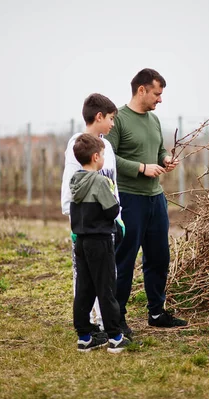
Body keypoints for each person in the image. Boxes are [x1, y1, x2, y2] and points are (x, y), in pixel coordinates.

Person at [106, 68, 188, 338]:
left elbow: (159, 149)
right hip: (129, 200)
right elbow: (108, 158)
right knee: (125, 260)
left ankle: (156, 313)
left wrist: (164, 159)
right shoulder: (118, 120)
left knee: (159, 257)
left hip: (156, 199)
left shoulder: (153, 120)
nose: (160, 99)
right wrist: (141, 167)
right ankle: (117, 318)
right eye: (157, 93)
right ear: (141, 90)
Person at [61, 93, 124, 334]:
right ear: (99, 116)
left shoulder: (105, 145)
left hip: (109, 221)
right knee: (86, 278)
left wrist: (119, 216)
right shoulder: (79, 144)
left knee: (108, 275)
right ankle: (90, 325)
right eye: (110, 118)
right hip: (88, 226)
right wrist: (73, 219)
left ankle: (104, 321)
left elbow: (112, 184)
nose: (112, 124)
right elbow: (72, 184)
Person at [69, 133, 131, 353]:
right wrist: (112, 195)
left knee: (84, 289)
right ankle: (115, 337)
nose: (104, 159)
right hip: (101, 242)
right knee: (106, 288)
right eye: (103, 155)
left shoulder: (75, 180)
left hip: (82, 242)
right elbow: (113, 210)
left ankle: (84, 336)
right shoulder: (100, 181)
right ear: (96, 157)